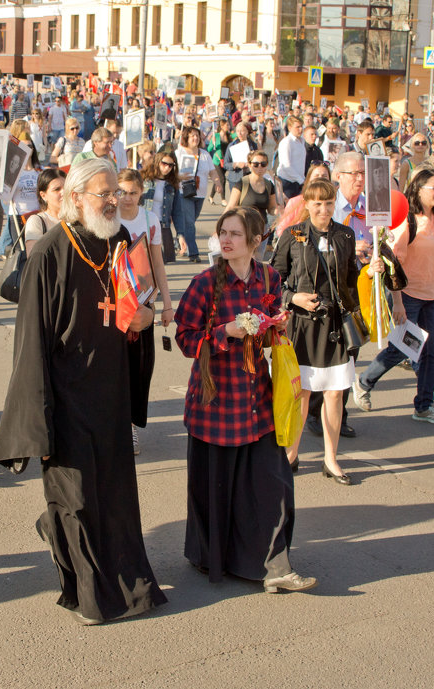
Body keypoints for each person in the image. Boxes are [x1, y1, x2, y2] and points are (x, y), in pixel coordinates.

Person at [0, 159, 166, 624]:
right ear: (75, 199)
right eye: (102, 193)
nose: (113, 200)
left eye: (117, 192)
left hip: (111, 390)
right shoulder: (49, 251)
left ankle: (128, 581)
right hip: (67, 395)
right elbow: (30, 340)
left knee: (114, 493)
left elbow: (140, 309)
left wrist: (147, 320)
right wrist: (33, 415)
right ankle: (90, 595)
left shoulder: (123, 243)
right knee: (78, 497)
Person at [174, 206, 316, 592]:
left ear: (255, 241)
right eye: (223, 232)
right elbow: (185, 339)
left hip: (257, 402)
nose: (226, 240)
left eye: (235, 234)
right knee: (214, 492)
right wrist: (226, 332)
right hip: (216, 402)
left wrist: (274, 327)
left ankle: (276, 568)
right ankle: (212, 558)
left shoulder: (270, 277)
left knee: (273, 488)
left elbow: (268, 328)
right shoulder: (205, 283)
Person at [273, 180, 373, 485]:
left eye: (328, 203)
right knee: (300, 393)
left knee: (334, 394)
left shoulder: (346, 234)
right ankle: (291, 454)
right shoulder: (293, 235)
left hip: (335, 327)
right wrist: (293, 299)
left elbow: (353, 281)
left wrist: (372, 269)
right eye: (317, 203)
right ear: (307, 205)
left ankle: (331, 459)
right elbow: (274, 280)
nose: (323, 209)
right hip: (301, 326)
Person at [352, 168, 434, 426]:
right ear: (419, 190)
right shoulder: (408, 221)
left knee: (432, 353)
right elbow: (393, 263)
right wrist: (398, 303)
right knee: (401, 348)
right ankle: (364, 382)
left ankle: (424, 406)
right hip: (409, 295)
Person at [116, 168, 175, 455]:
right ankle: (117, 425)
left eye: (133, 192)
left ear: (142, 193)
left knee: (140, 368)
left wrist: (167, 303)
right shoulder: (108, 217)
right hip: (115, 304)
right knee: (116, 366)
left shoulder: (149, 219)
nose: (127, 198)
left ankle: (131, 425)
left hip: (144, 304)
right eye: (122, 192)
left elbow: (157, 263)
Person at [226, 151, 278, 258]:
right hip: (243, 227)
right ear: (249, 165)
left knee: (257, 261)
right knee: (243, 259)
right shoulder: (242, 183)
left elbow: (271, 208)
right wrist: (221, 227)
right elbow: (231, 206)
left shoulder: (269, 185)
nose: (259, 167)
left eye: (263, 164)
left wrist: (278, 210)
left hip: (261, 229)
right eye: (256, 164)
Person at [177, 125, 216, 263]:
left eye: (197, 135)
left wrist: (218, 183)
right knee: (189, 223)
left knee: (191, 221)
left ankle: (180, 236)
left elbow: (212, 171)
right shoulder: (179, 153)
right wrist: (180, 177)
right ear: (186, 138)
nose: (195, 138)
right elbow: (171, 173)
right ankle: (193, 253)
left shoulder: (204, 154)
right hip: (184, 192)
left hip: (200, 193)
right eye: (192, 135)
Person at [24, 168, 66, 254]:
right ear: (43, 195)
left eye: (66, 188)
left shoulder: (77, 218)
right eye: (57, 189)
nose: (64, 192)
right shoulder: (36, 221)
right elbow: (34, 260)